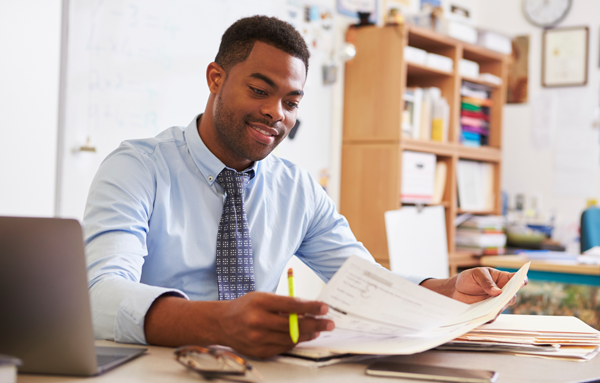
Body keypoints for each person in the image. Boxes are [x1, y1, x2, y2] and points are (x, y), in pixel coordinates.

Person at [84, 15, 522, 359]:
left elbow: (365, 282)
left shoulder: (297, 189)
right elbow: (99, 293)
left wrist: (445, 290)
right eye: (260, 90)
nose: (276, 113)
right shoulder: (138, 167)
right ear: (216, 78)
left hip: (258, 369)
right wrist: (216, 322)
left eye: (291, 102)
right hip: (153, 367)